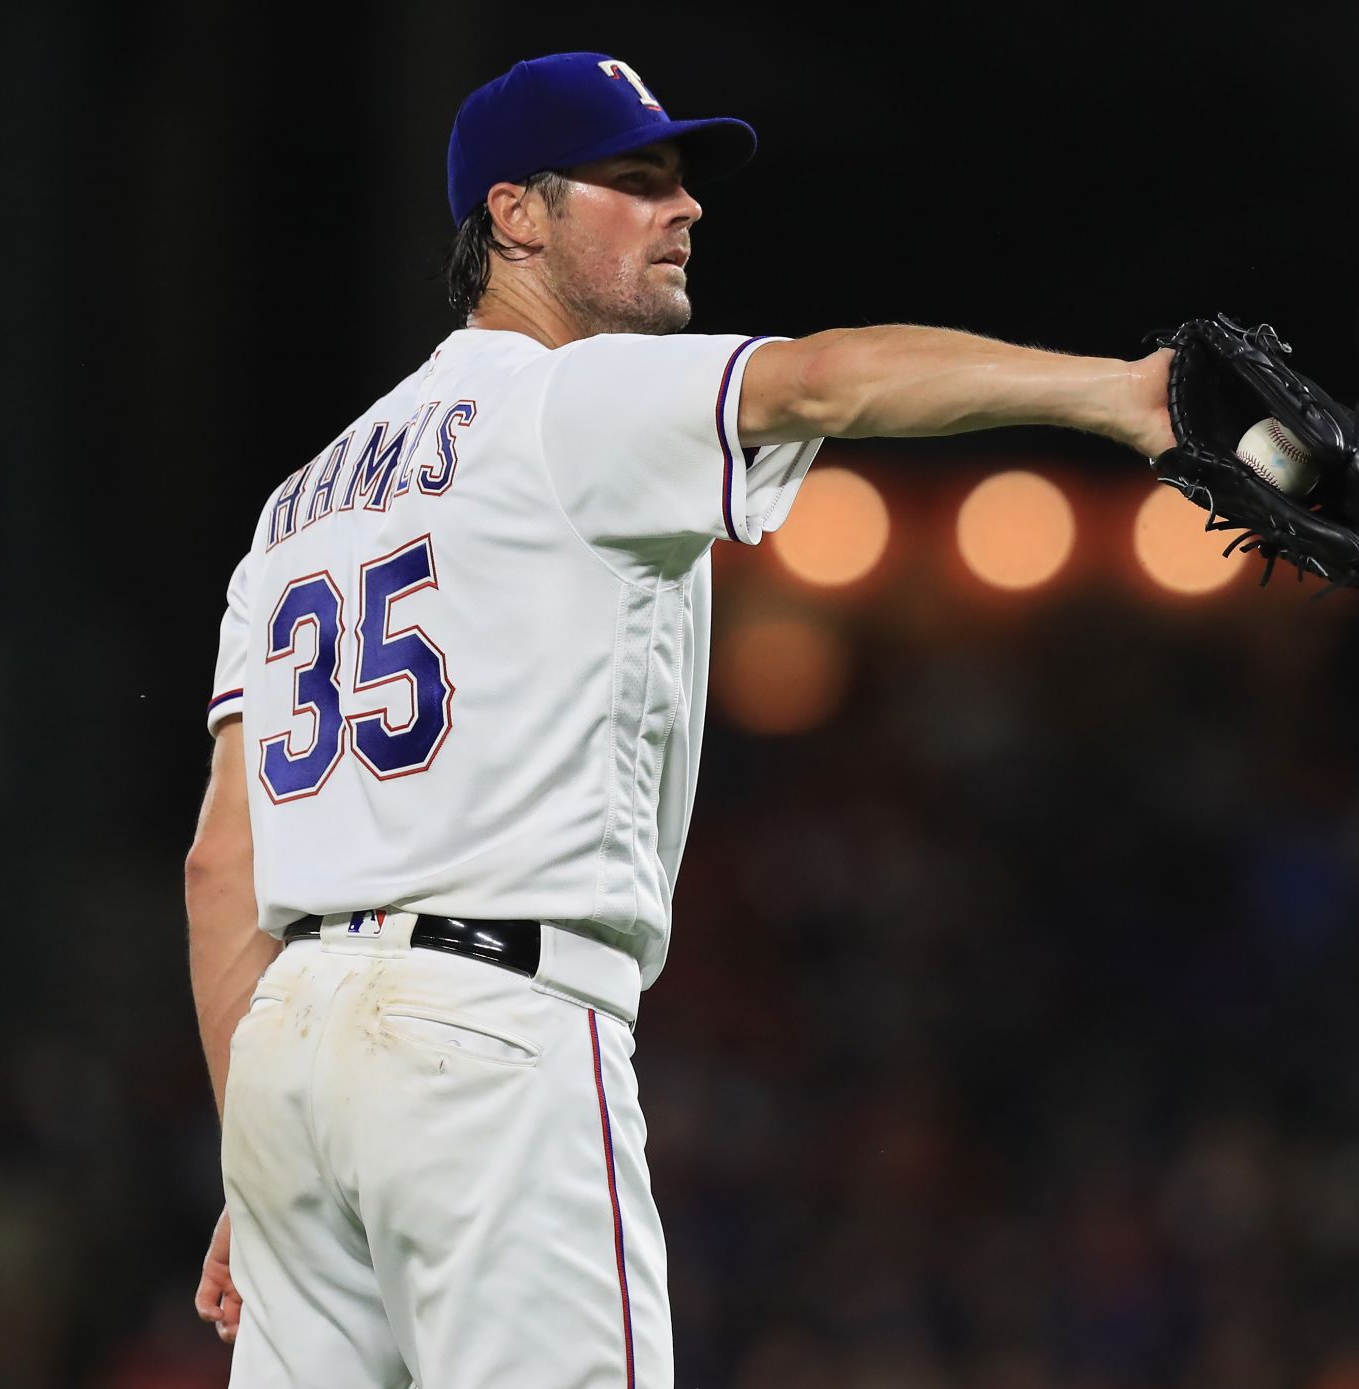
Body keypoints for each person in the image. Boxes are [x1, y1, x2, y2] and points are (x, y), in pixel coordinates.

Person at [186, 50, 1175, 1388]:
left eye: (680, 180)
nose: (683, 205)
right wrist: (1113, 394)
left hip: (291, 1055)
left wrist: (253, 1153)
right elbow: (823, 382)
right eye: (633, 179)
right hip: (490, 1034)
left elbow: (218, 868)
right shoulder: (562, 399)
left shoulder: (296, 506)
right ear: (514, 216)